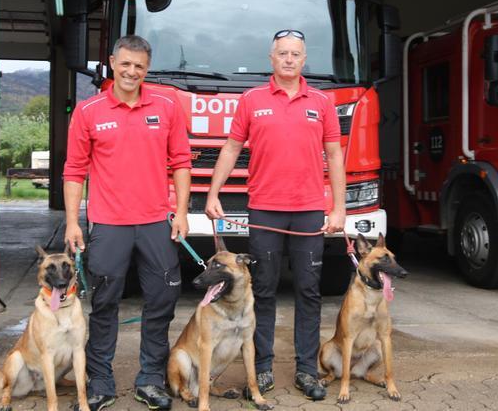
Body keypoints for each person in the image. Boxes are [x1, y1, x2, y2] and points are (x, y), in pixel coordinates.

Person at [205, 29, 346, 401]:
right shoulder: (251, 100)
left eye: (295, 54)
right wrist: (213, 192)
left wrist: (339, 207)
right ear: (271, 59)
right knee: (263, 291)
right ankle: (262, 368)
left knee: (309, 291)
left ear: (303, 59)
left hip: (308, 212)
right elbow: (232, 147)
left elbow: (334, 155)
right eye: (282, 53)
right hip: (264, 210)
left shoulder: (321, 101)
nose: (288, 59)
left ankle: (305, 370)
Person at [63, 35, 191, 411]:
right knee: (104, 303)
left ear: (146, 69)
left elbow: (181, 162)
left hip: (156, 223)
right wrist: (73, 222)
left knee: (162, 301)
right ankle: (100, 381)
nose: (132, 71)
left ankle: (150, 379)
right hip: (108, 224)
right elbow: (74, 170)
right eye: (125, 64)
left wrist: (181, 212)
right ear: (112, 63)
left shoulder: (167, 107)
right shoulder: (89, 111)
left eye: (139, 66)